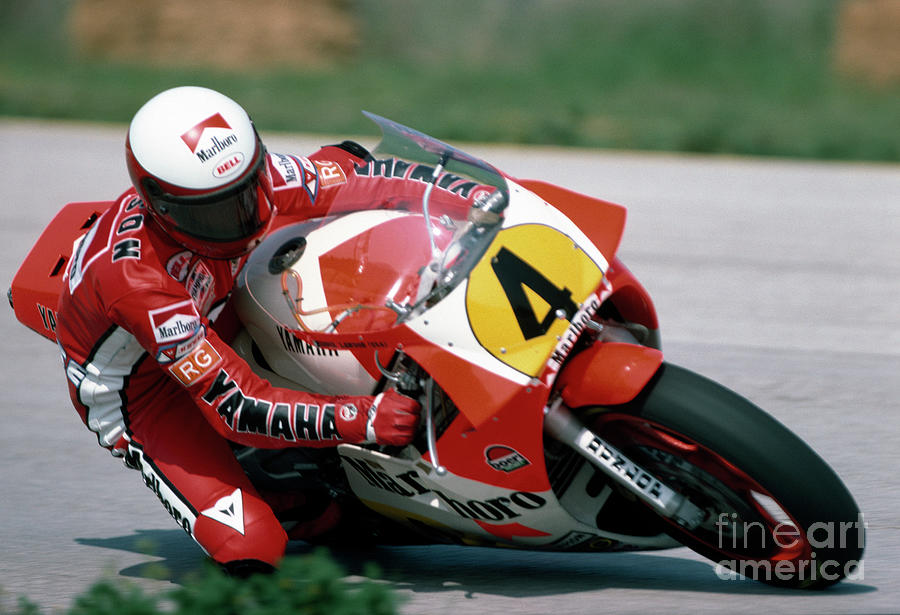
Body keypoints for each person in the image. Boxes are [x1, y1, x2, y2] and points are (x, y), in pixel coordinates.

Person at [55, 86, 485, 577]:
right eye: (214, 211)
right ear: (160, 204)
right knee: (253, 547)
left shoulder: (251, 179)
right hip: (146, 388)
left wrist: (483, 201)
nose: (242, 219)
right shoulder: (139, 283)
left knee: (350, 165)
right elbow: (235, 405)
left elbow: (360, 178)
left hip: (220, 296)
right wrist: (361, 419)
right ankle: (301, 502)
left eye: (247, 190)